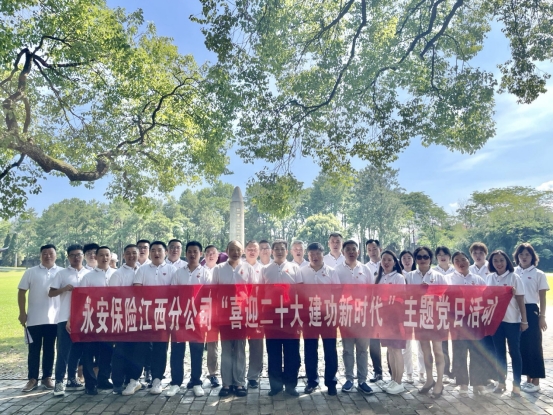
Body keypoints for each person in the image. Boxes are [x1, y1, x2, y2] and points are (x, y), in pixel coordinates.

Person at [133, 241, 177, 394]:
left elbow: (174, 292)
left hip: (163, 316)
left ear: (165, 252)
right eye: (153, 250)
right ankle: (135, 379)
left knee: (160, 347)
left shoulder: (172, 270)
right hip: (145, 315)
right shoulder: (142, 270)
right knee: (141, 347)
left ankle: (157, 379)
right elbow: (137, 290)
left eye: (159, 250)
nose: (156, 253)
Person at [18, 244, 61, 392]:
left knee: (50, 349)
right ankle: (32, 379)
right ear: (40, 255)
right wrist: (22, 312)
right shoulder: (31, 272)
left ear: (56, 255)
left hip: (54, 319)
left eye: (51, 253)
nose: (48, 256)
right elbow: (21, 292)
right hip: (34, 318)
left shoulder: (61, 272)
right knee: (34, 350)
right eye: (44, 253)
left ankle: (47, 377)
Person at [405, 246, 447, 398]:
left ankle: (440, 382)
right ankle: (429, 379)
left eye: (426, 257)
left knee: (438, 350)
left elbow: (446, 296)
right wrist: (418, 292)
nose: (422, 260)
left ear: (430, 259)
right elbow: (406, 296)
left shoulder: (439, 276)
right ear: (415, 259)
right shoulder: (410, 276)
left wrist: (430, 292)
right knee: (425, 351)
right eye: (419, 257)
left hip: (436, 317)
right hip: (419, 317)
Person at [262, 239, 302, 397]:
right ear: (272, 252)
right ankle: (276, 386)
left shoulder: (295, 268)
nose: (279, 252)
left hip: (291, 316)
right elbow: (260, 293)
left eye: (282, 249)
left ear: (287, 251)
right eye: (276, 249)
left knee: (292, 353)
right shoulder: (265, 269)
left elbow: (301, 292)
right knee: (273, 352)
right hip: (271, 316)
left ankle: (291, 385)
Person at [298, 242, 339, 396]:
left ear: (323, 254)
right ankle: (312, 381)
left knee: (330, 350)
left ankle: (331, 382)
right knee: (310, 350)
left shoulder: (331, 272)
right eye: (311, 254)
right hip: (309, 316)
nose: (314, 257)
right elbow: (299, 294)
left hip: (328, 316)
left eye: (317, 254)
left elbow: (337, 294)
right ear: (307, 255)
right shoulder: (302, 272)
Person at [213, 240, 254, 397]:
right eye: (232, 249)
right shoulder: (218, 269)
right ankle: (227, 383)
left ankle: (239, 383)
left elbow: (252, 292)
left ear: (242, 251)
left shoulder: (248, 268)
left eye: (238, 250)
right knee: (226, 349)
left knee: (239, 349)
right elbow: (214, 292)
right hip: (224, 315)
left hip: (241, 315)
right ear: (226, 250)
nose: (235, 252)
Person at [166, 241, 206, 398]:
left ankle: (196, 382)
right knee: (177, 351)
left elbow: (209, 296)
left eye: (195, 251)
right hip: (180, 318)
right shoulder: (178, 273)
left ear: (200, 254)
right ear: (186, 253)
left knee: (197, 351)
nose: (192, 254)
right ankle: (175, 383)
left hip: (197, 318)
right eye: (189, 251)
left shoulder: (206, 273)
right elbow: (172, 295)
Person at [334, 240, 374, 394]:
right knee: (347, 349)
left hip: (363, 316)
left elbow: (372, 293)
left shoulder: (365, 269)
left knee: (363, 349)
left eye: (353, 249)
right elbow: (335, 293)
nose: (351, 252)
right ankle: (349, 379)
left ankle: (362, 380)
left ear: (358, 252)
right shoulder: (337, 271)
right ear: (343, 252)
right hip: (346, 315)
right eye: (348, 249)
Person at [74, 246, 115, 395]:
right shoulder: (88, 277)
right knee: (89, 351)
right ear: (96, 257)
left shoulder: (116, 275)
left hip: (110, 319)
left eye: (107, 255)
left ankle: (103, 379)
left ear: (110, 257)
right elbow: (80, 299)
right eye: (101, 255)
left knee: (106, 351)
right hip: (91, 319)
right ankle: (90, 383)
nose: (105, 258)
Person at [49, 244, 89, 396]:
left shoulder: (89, 273)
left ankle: (72, 378)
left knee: (77, 351)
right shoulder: (62, 274)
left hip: (84, 318)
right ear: (68, 257)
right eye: (72, 255)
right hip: (64, 317)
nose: (76, 258)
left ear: (83, 256)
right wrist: (64, 289)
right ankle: (59, 382)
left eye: (78, 254)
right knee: (63, 350)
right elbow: (51, 293)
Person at [486, 249, 527, 397]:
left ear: (507, 261)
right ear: (492, 263)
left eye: (501, 260)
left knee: (514, 352)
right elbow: (486, 299)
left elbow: (521, 300)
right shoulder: (489, 278)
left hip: (512, 320)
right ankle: (501, 382)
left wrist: (524, 320)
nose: (499, 263)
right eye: (495, 261)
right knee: (499, 353)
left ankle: (516, 385)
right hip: (496, 321)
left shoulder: (514, 277)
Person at [449, 251, 488, 396]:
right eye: (457, 260)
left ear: (468, 261)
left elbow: (487, 298)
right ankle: (463, 384)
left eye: (463, 259)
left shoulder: (478, 279)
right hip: (457, 320)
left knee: (477, 351)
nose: (461, 263)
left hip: (475, 320)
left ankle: (478, 383)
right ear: (453, 264)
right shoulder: (448, 280)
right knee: (459, 351)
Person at [513, 243, 549, 393]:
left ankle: (536, 380)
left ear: (532, 256)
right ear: (517, 256)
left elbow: (543, 297)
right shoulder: (513, 272)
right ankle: (528, 378)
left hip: (531, 310)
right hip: (515, 310)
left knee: (534, 345)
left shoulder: (538, 273)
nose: (524, 257)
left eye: (527, 254)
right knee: (521, 345)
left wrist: (542, 316)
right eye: (521, 254)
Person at [110, 244, 144, 396]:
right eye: (128, 253)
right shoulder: (118, 274)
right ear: (123, 256)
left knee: (137, 351)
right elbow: (112, 296)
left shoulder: (143, 270)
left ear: (139, 254)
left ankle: (133, 379)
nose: (131, 256)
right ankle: (118, 382)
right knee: (121, 350)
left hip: (141, 318)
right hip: (123, 317)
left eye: (134, 253)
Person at [375, 251, 406, 395]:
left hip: (396, 319)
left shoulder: (399, 277)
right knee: (390, 350)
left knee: (397, 349)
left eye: (389, 259)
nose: (386, 262)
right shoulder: (379, 278)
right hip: (383, 319)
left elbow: (400, 298)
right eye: (384, 259)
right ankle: (393, 379)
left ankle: (399, 382)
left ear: (394, 262)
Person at [398, 250, 422, 385]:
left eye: (409, 258)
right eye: (404, 258)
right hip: (405, 313)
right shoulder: (398, 275)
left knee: (421, 343)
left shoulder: (418, 275)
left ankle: (422, 372)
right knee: (406, 344)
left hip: (419, 312)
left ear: (413, 260)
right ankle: (409, 373)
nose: (407, 261)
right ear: (400, 261)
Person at [432, 246, 454, 383]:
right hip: (439, 311)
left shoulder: (456, 270)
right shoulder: (433, 272)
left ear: (449, 256)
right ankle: (445, 371)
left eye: (445, 254)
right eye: (439, 255)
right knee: (443, 342)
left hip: (455, 311)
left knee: (458, 342)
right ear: (436, 258)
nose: (442, 257)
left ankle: (457, 372)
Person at [244, 240, 264, 389]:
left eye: (255, 249)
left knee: (256, 344)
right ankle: (238, 375)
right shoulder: (239, 267)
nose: (252, 252)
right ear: (245, 251)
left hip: (257, 311)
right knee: (239, 344)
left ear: (259, 252)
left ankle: (253, 376)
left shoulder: (263, 269)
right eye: (249, 249)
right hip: (239, 310)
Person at [203, 244, 221, 388]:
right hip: (203, 312)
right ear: (204, 255)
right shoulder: (199, 271)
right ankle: (211, 374)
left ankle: (223, 373)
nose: (211, 255)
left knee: (220, 344)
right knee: (209, 344)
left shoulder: (222, 270)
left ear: (218, 255)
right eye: (208, 252)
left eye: (213, 253)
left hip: (221, 311)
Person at [365, 239, 382, 383]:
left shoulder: (388, 263)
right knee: (373, 341)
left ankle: (393, 371)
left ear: (380, 249)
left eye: (374, 249)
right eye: (369, 249)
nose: (372, 252)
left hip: (388, 308)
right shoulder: (365, 268)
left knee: (390, 341)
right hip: (371, 308)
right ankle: (378, 371)